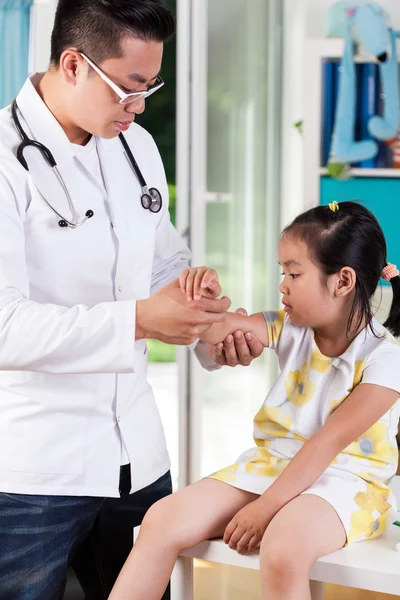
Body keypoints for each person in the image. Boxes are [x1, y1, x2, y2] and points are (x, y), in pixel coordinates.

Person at [0, 1, 265, 598]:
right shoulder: (4, 163)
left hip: (138, 463)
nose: (141, 105)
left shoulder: (136, 146)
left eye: (152, 85)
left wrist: (209, 321)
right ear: (73, 63)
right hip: (33, 474)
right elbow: (4, 326)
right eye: (130, 87)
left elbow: (164, 263)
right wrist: (141, 322)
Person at [109, 201, 400, 600]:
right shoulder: (289, 327)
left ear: (343, 281)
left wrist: (266, 508)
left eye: (295, 273)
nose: (283, 284)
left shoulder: (386, 358)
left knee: (283, 547)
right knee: (161, 519)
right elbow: (215, 332)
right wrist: (199, 298)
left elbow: (327, 443)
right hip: (274, 467)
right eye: (284, 272)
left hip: (347, 481)